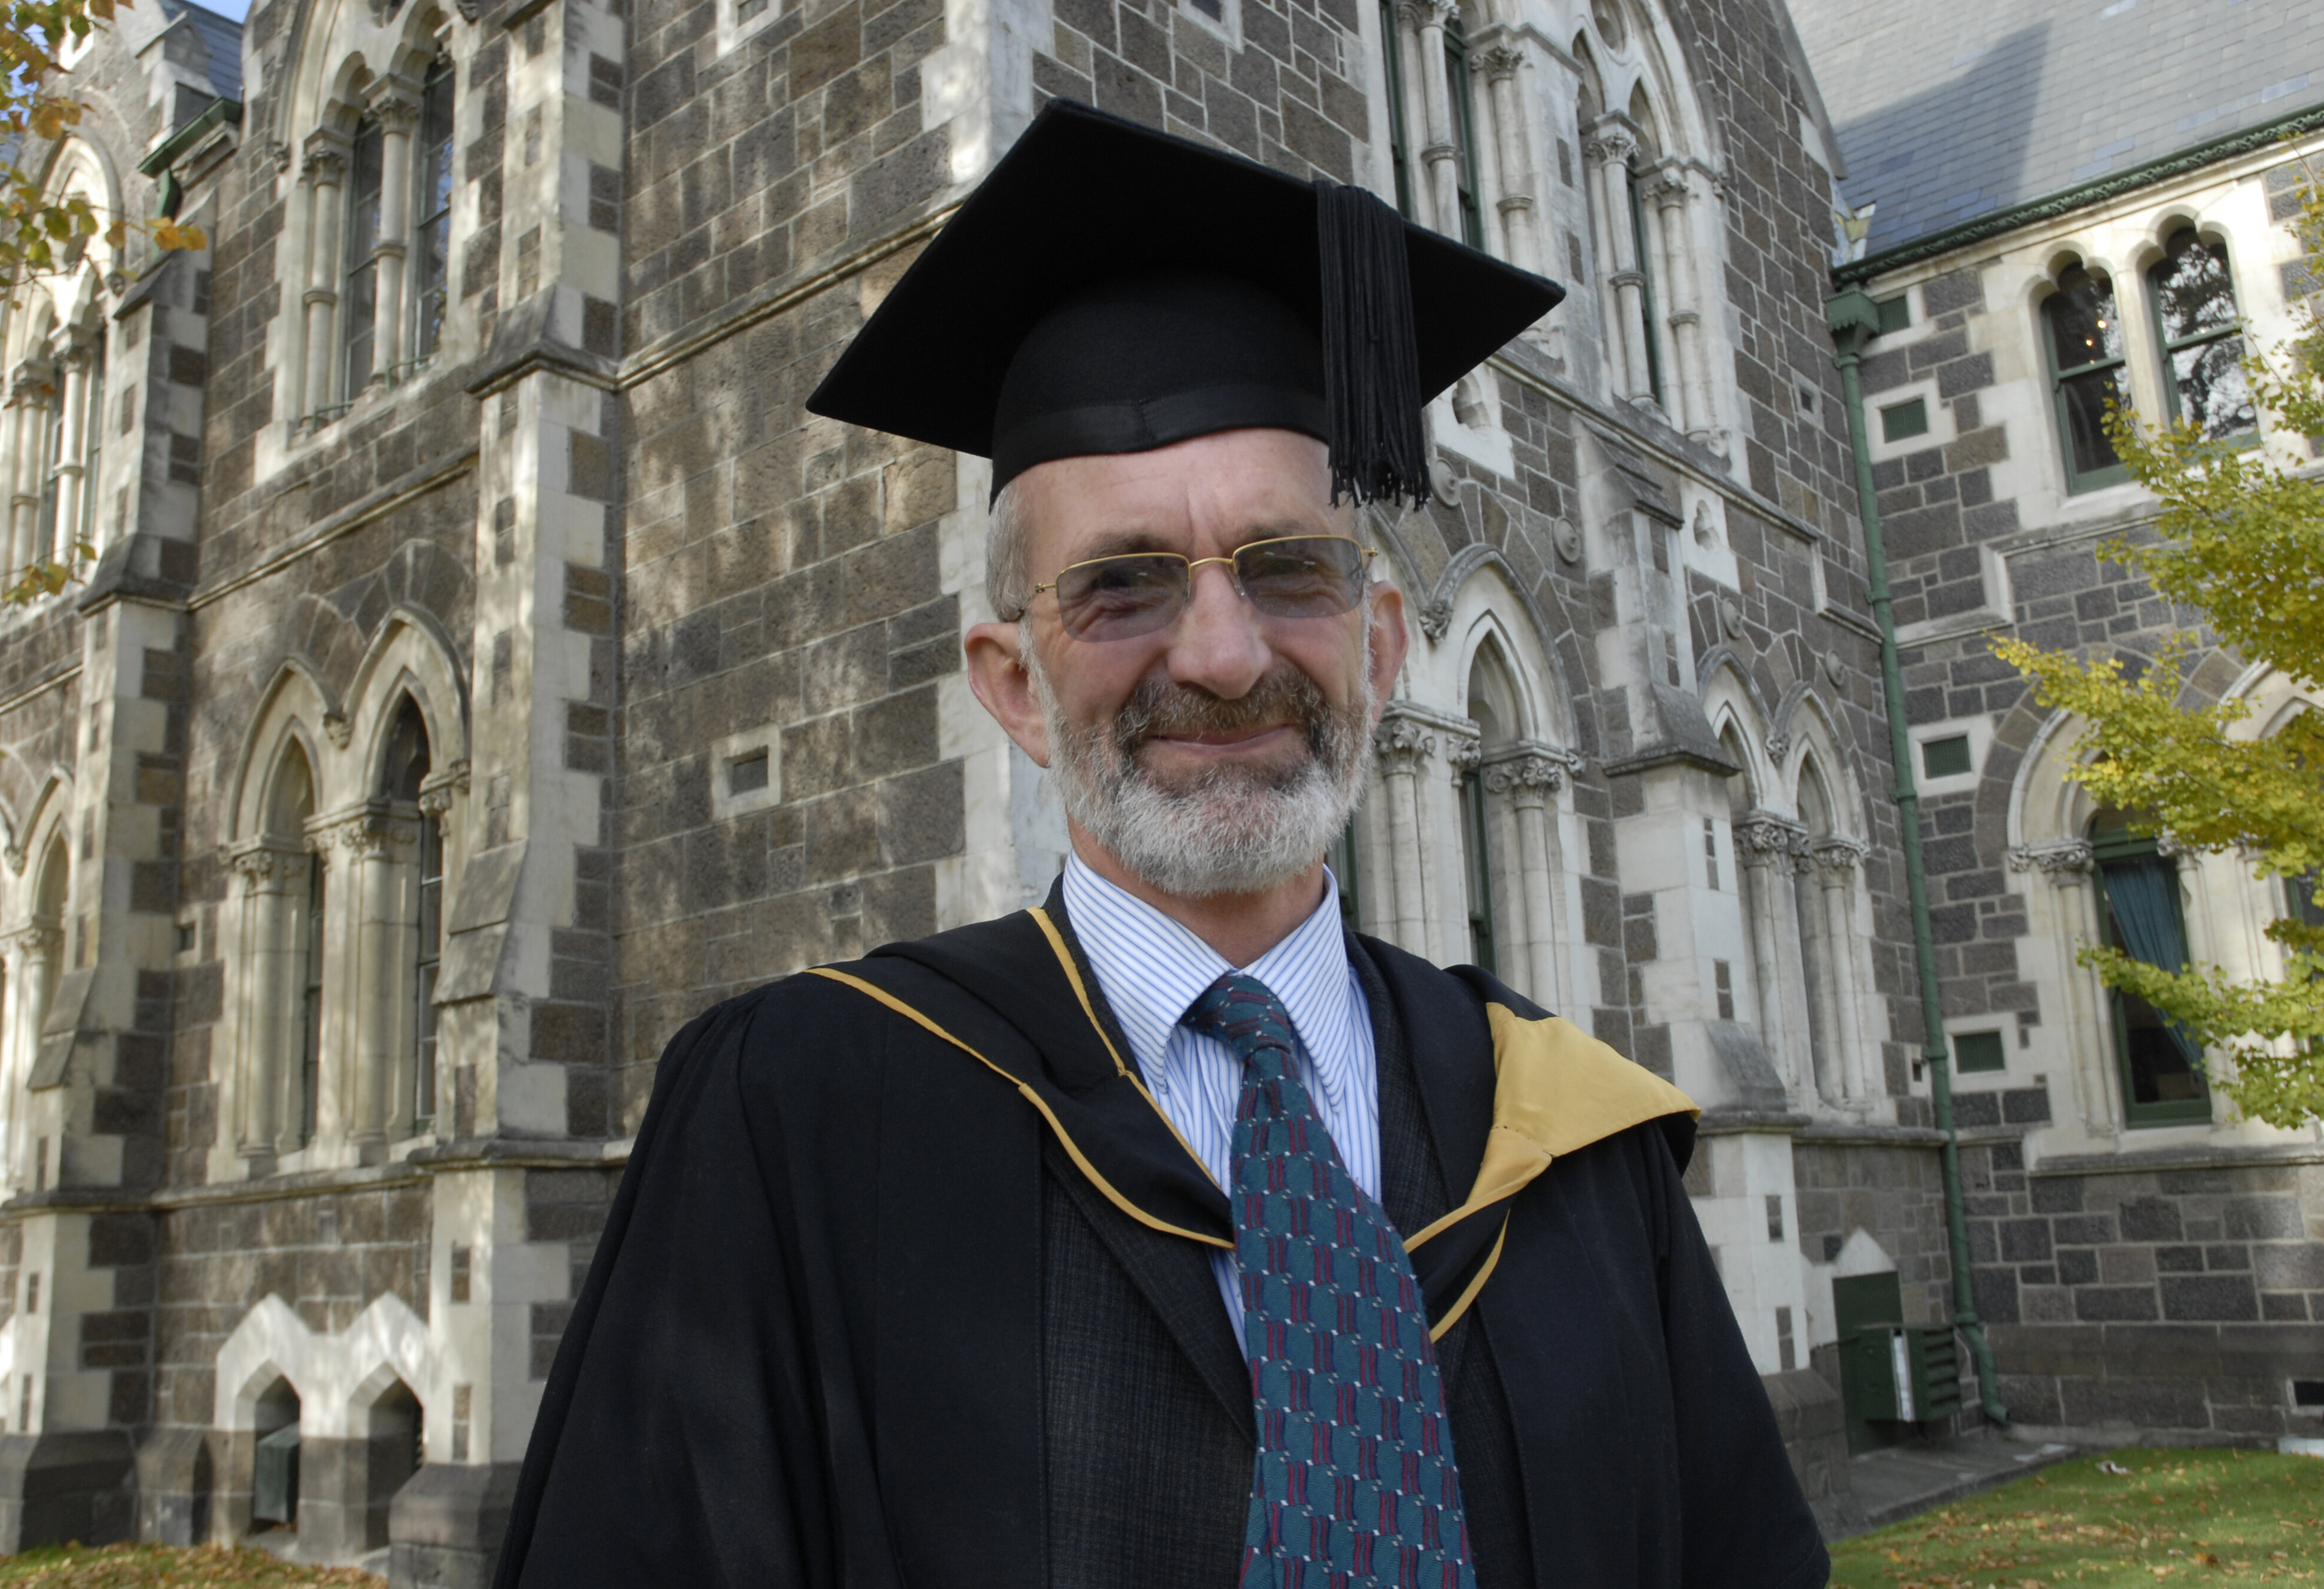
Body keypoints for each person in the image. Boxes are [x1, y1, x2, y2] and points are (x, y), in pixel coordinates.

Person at [494, 100, 1830, 1589]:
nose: (1220, 653)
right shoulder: (798, 1115)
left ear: (1381, 644)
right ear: (1013, 682)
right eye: (1120, 586)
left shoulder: (1575, 1143)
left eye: (1289, 570)